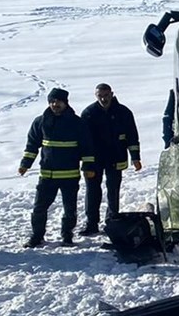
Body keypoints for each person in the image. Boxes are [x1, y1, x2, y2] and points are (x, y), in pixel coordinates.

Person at [18, 88, 95, 248]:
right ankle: (37, 236)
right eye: (52, 101)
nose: (55, 104)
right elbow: (32, 145)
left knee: (70, 209)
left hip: (70, 175)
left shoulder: (77, 123)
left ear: (65, 102)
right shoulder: (40, 122)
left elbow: (87, 147)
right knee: (39, 208)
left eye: (58, 101)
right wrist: (25, 164)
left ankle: (67, 236)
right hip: (47, 176)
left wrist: (88, 166)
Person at [79, 83, 141, 235]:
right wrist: (84, 161)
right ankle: (92, 223)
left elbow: (132, 136)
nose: (103, 99)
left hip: (115, 157)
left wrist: (135, 158)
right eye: (100, 96)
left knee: (113, 190)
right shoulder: (89, 113)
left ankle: (112, 220)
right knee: (93, 191)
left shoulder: (123, 112)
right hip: (94, 160)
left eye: (106, 95)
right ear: (96, 96)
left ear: (112, 94)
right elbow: (83, 139)